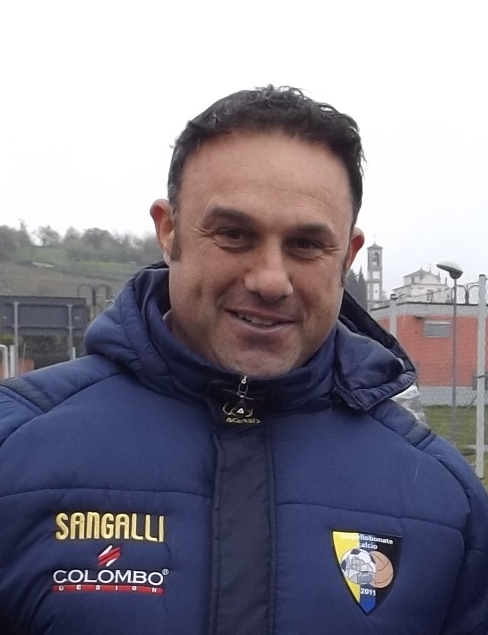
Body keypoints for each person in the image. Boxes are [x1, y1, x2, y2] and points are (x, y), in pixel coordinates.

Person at [0, 86, 487, 635]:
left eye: (306, 244)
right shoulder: (14, 447)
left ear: (347, 256)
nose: (270, 280)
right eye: (234, 234)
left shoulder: (445, 500)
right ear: (169, 231)